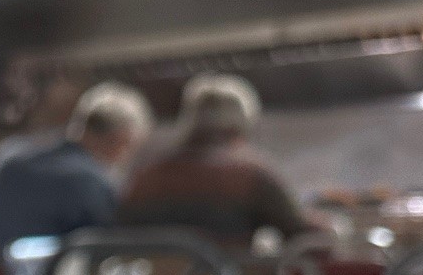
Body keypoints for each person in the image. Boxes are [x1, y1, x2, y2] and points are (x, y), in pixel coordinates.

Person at [117, 74, 313, 246]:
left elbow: (118, 236)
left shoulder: (144, 178)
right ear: (243, 122)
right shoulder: (249, 175)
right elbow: (301, 232)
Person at [0, 83, 153, 254]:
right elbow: (106, 249)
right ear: (119, 139)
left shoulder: (9, 156)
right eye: (130, 147)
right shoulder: (91, 181)